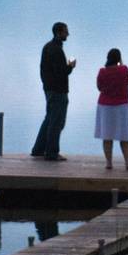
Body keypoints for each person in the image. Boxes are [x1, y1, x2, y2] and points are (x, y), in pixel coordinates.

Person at [31, 22, 76, 161]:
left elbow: (44, 70)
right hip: (58, 91)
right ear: (59, 32)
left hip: (49, 89)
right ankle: (51, 152)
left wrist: (46, 86)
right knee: (57, 122)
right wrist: (70, 66)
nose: (68, 34)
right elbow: (61, 72)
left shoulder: (48, 47)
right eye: (65, 31)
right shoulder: (56, 49)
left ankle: (38, 149)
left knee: (49, 119)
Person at [95, 48, 128, 170]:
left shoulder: (102, 71)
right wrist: (121, 66)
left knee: (107, 136)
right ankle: (127, 162)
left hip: (105, 106)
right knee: (124, 136)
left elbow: (99, 87)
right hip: (122, 106)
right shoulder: (124, 69)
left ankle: (109, 163)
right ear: (119, 58)